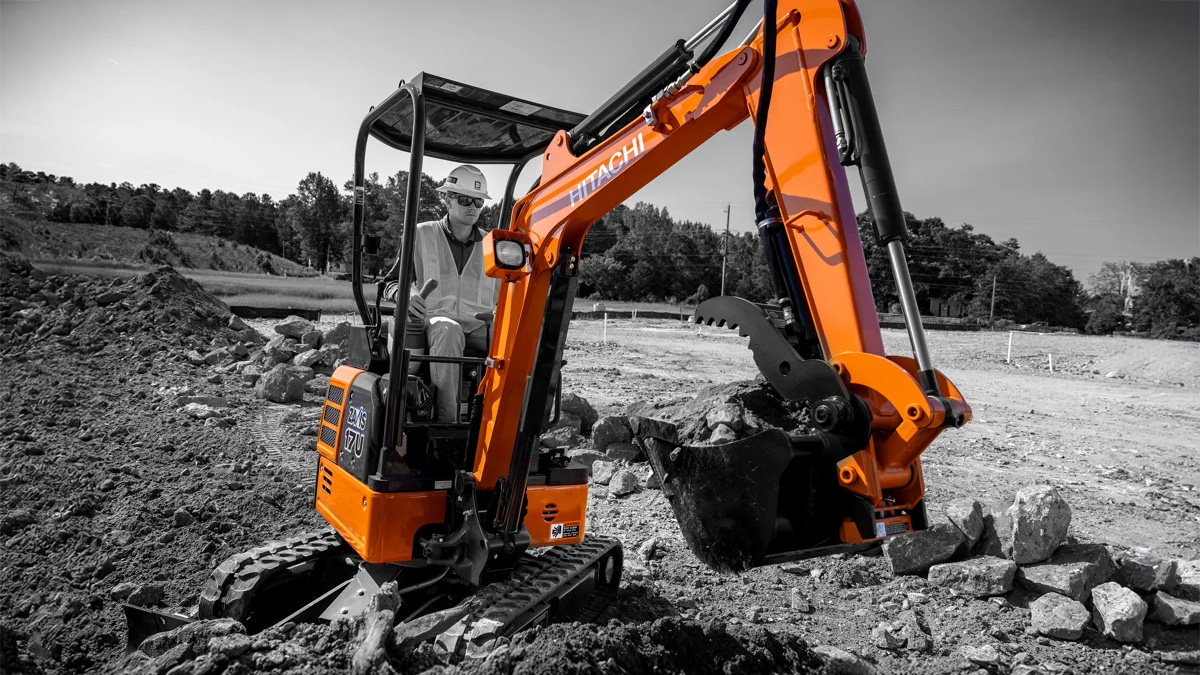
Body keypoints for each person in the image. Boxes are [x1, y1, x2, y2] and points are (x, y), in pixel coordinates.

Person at [383, 164, 499, 422]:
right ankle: (448, 423)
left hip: (479, 324)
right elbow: (391, 283)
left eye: (478, 201)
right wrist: (407, 296)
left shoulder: (492, 244)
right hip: (434, 321)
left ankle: (503, 421)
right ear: (447, 199)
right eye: (465, 199)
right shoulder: (421, 234)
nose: (472, 207)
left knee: (513, 342)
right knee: (449, 332)